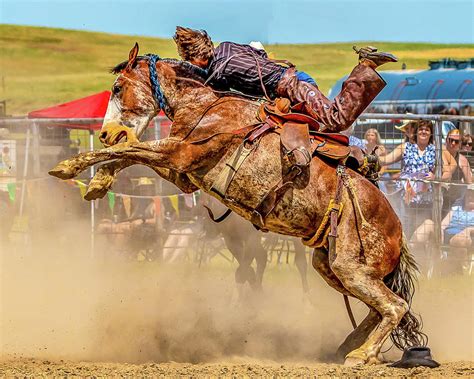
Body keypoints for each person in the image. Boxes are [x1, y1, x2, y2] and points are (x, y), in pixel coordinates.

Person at [173, 26, 397, 134]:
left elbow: (225, 101)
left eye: (189, 60)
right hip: (293, 80)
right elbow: (258, 54)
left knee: (335, 119)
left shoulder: (217, 74)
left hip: (292, 88)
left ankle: (365, 65)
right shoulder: (227, 46)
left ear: (195, 58)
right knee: (318, 132)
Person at [379, 120, 436, 238]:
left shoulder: (435, 150)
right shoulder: (406, 147)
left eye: (427, 129)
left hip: (425, 200)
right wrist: (372, 156)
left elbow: (447, 169)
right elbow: (386, 160)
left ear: (431, 133)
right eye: (421, 129)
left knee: (421, 233)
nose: (423, 131)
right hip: (406, 198)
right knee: (404, 231)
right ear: (417, 132)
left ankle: (421, 255)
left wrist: (435, 177)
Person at [411, 188, 474, 274]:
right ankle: (413, 258)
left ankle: (461, 268)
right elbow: (443, 224)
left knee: (458, 239)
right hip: (447, 235)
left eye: (473, 195)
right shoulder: (457, 207)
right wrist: (440, 230)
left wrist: (469, 229)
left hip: (466, 237)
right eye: (469, 194)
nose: (470, 197)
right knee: (428, 224)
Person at [441, 129, 473, 217]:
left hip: (454, 202)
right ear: (447, 140)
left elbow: (469, 183)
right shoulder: (438, 154)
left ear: (460, 143)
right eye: (451, 140)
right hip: (437, 199)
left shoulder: (462, 160)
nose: (453, 143)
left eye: (457, 141)